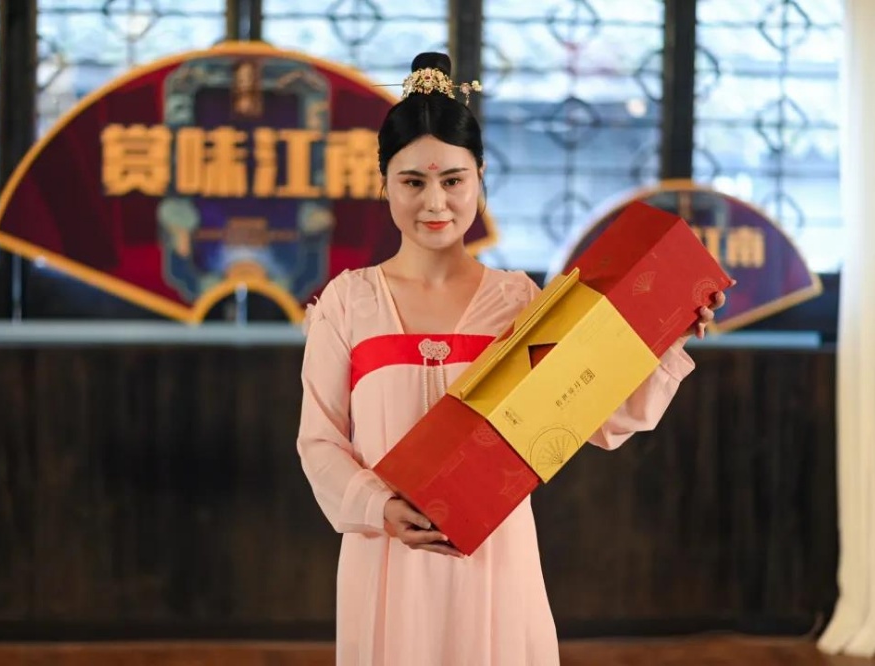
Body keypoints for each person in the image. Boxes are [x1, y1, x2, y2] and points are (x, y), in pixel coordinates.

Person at [296, 52, 726, 666]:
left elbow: (598, 417)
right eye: (413, 182)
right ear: (383, 182)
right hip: (386, 557)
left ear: (480, 179)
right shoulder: (347, 303)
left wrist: (668, 333)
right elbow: (319, 442)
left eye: (453, 180)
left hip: (495, 559)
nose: (435, 202)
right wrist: (379, 508)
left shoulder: (520, 302)